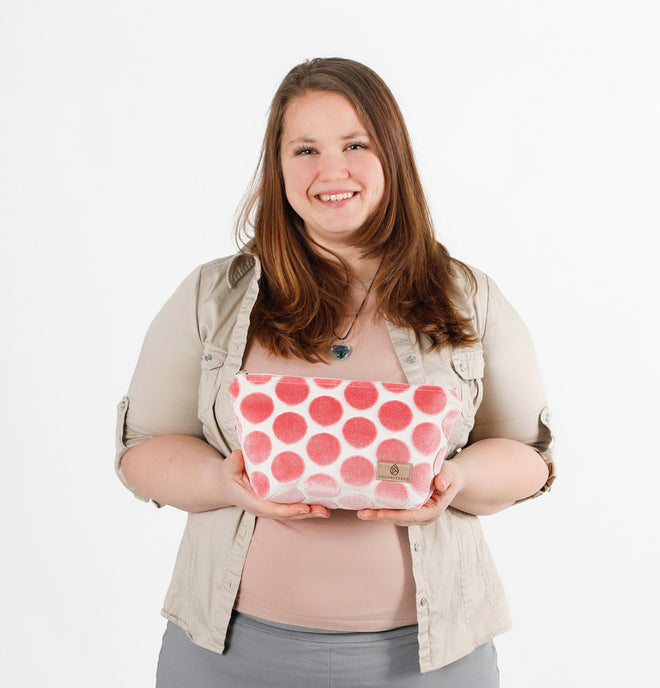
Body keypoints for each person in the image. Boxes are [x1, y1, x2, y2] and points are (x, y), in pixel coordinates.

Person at [116, 57, 555, 688]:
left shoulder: (468, 298)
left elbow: (530, 458)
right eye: (305, 150)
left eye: (355, 144)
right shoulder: (213, 297)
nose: (331, 171)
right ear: (277, 167)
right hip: (229, 657)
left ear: (392, 156)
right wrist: (221, 480)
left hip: (428, 663)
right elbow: (141, 450)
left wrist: (454, 479)